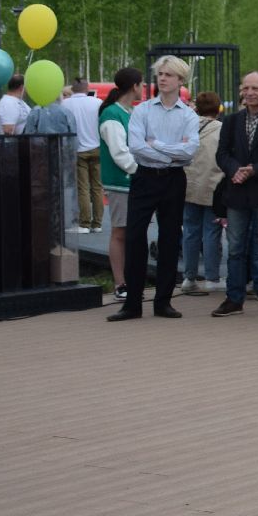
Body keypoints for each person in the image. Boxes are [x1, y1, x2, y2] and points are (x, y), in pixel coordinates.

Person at [108, 56, 200, 322]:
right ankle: (132, 304)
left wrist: (157, 145)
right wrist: (171, 153)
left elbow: (190, 152)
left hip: (173, 180)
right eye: (160, 73)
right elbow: (136, 147)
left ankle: (163, 302)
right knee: (135, 237)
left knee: (170, 240)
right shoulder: (142, 110)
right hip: (145, 177)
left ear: (180, 80)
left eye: (169, 74)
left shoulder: (188, 115)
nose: (162, 78)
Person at [213, 71, 258, 317]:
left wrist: (254, 170)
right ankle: (234, 299)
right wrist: (235, 171)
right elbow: (221, 154)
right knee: (235, 248)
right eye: (246, 88)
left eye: (255, 88)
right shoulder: (231, 120)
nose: (250, 93)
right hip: (237, 192)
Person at [97, 69, 142, 306]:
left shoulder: (130, 112)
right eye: (141, 84)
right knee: (120, 232)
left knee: (131, 232)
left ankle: (130, 280)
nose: (143, 88)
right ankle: (120, 283)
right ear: (134, 86)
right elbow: (119, 152)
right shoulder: (112, 115)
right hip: (120, 182)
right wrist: (140, 170)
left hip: (132, 181)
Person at [180, 92, 225, 295]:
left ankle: (189, 277)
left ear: (196, 107)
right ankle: (211, 277)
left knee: (190, 231)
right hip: (213, 188)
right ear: (218, 109)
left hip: (188, 187)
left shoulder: (187, 126)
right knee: (211, 232)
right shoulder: (221, 130)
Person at [64, 79, 104, 233]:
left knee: (83, 188)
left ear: (73, 89)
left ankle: (84, 224)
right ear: (87, 89)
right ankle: (97, 224)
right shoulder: (98, 102)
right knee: (97, 187)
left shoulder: (66, 104)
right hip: (96, 148)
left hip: (78, 149)